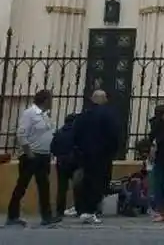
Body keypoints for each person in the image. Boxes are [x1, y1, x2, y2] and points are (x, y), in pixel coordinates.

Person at [6, 89, 59, 226]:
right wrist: (29, 153)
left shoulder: (45, 115)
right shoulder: (30, 114)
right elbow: (21, 134)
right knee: (22, 185)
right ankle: (12, 216)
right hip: (32, 155)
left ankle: (46, 216)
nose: (52, 102)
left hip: (44, 156)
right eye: (51, 99)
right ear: (45, 100)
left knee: (44, 186)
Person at [72, 90, 120, 225]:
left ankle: (83, 211)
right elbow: (113, 134)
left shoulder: (83, 115)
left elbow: (75, 134)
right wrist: (113, 151)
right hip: (102, 155)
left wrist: (79, 151)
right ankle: (92, 210)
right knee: (98, 183)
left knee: (86, 182)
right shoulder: (108, 114)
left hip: (85, 154)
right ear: (103, 99)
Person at [51, 113, 79, 218]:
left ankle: (59, 210)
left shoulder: (59, 132)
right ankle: (78, 208)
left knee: (62, 187)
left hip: (61, 162)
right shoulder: (77, 133)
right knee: (77, 186)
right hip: (74, 162)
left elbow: (53, 148)